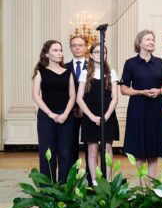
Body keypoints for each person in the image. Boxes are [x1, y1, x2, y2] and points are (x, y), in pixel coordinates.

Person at [120, 29, 162, 180]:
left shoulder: (160, 63)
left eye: (152, 39)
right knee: (139, 148)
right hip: (138, 108)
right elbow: (123, 89)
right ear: (139, 43)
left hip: (156, 109)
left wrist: (159, 91)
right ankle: (143, 187)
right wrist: (140, 92)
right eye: (148, 39)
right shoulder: (130, 63)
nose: (151, 42)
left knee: (154, 148)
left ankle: (150, 185)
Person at [32, 40, 76, 183]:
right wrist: (50, 114)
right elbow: (35, 95)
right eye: (55, 50)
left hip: (66, 117)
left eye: (60, 50)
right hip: (46, 116)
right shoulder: (40, 72)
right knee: (47, 153)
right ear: (47, 54)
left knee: (65, 153)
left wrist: (65, 114)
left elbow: (72, 96)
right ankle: (47, 191)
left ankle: (64, 189)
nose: (59, 53)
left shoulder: (68, 72)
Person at [76, 43, 119, 185]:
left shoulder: (111, 73)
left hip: (107, 115)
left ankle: (107, 180)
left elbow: (115, 98)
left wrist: (106, 116)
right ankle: (94, 181)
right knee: (92, 150)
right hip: (90, 116)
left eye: (103, 52)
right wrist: (91, 116)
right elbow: (79, 98)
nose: (100, 55)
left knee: (107, 149)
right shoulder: (85, 73)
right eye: (96, 52)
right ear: (91, 55)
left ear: (106, 55)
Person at [66, 36, 92, 184]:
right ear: (70, 48)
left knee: (90, 146)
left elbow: (93, 91)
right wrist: (74, 108)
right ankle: (73, 180)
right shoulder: (63, 66)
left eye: (80, 45)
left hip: (88, 112)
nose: (77, 48)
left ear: (85, 47)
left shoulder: (93, 67)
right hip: (70, 112)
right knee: (70, 146)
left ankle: (90, 179)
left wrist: (83, 108)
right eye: (74, 45)